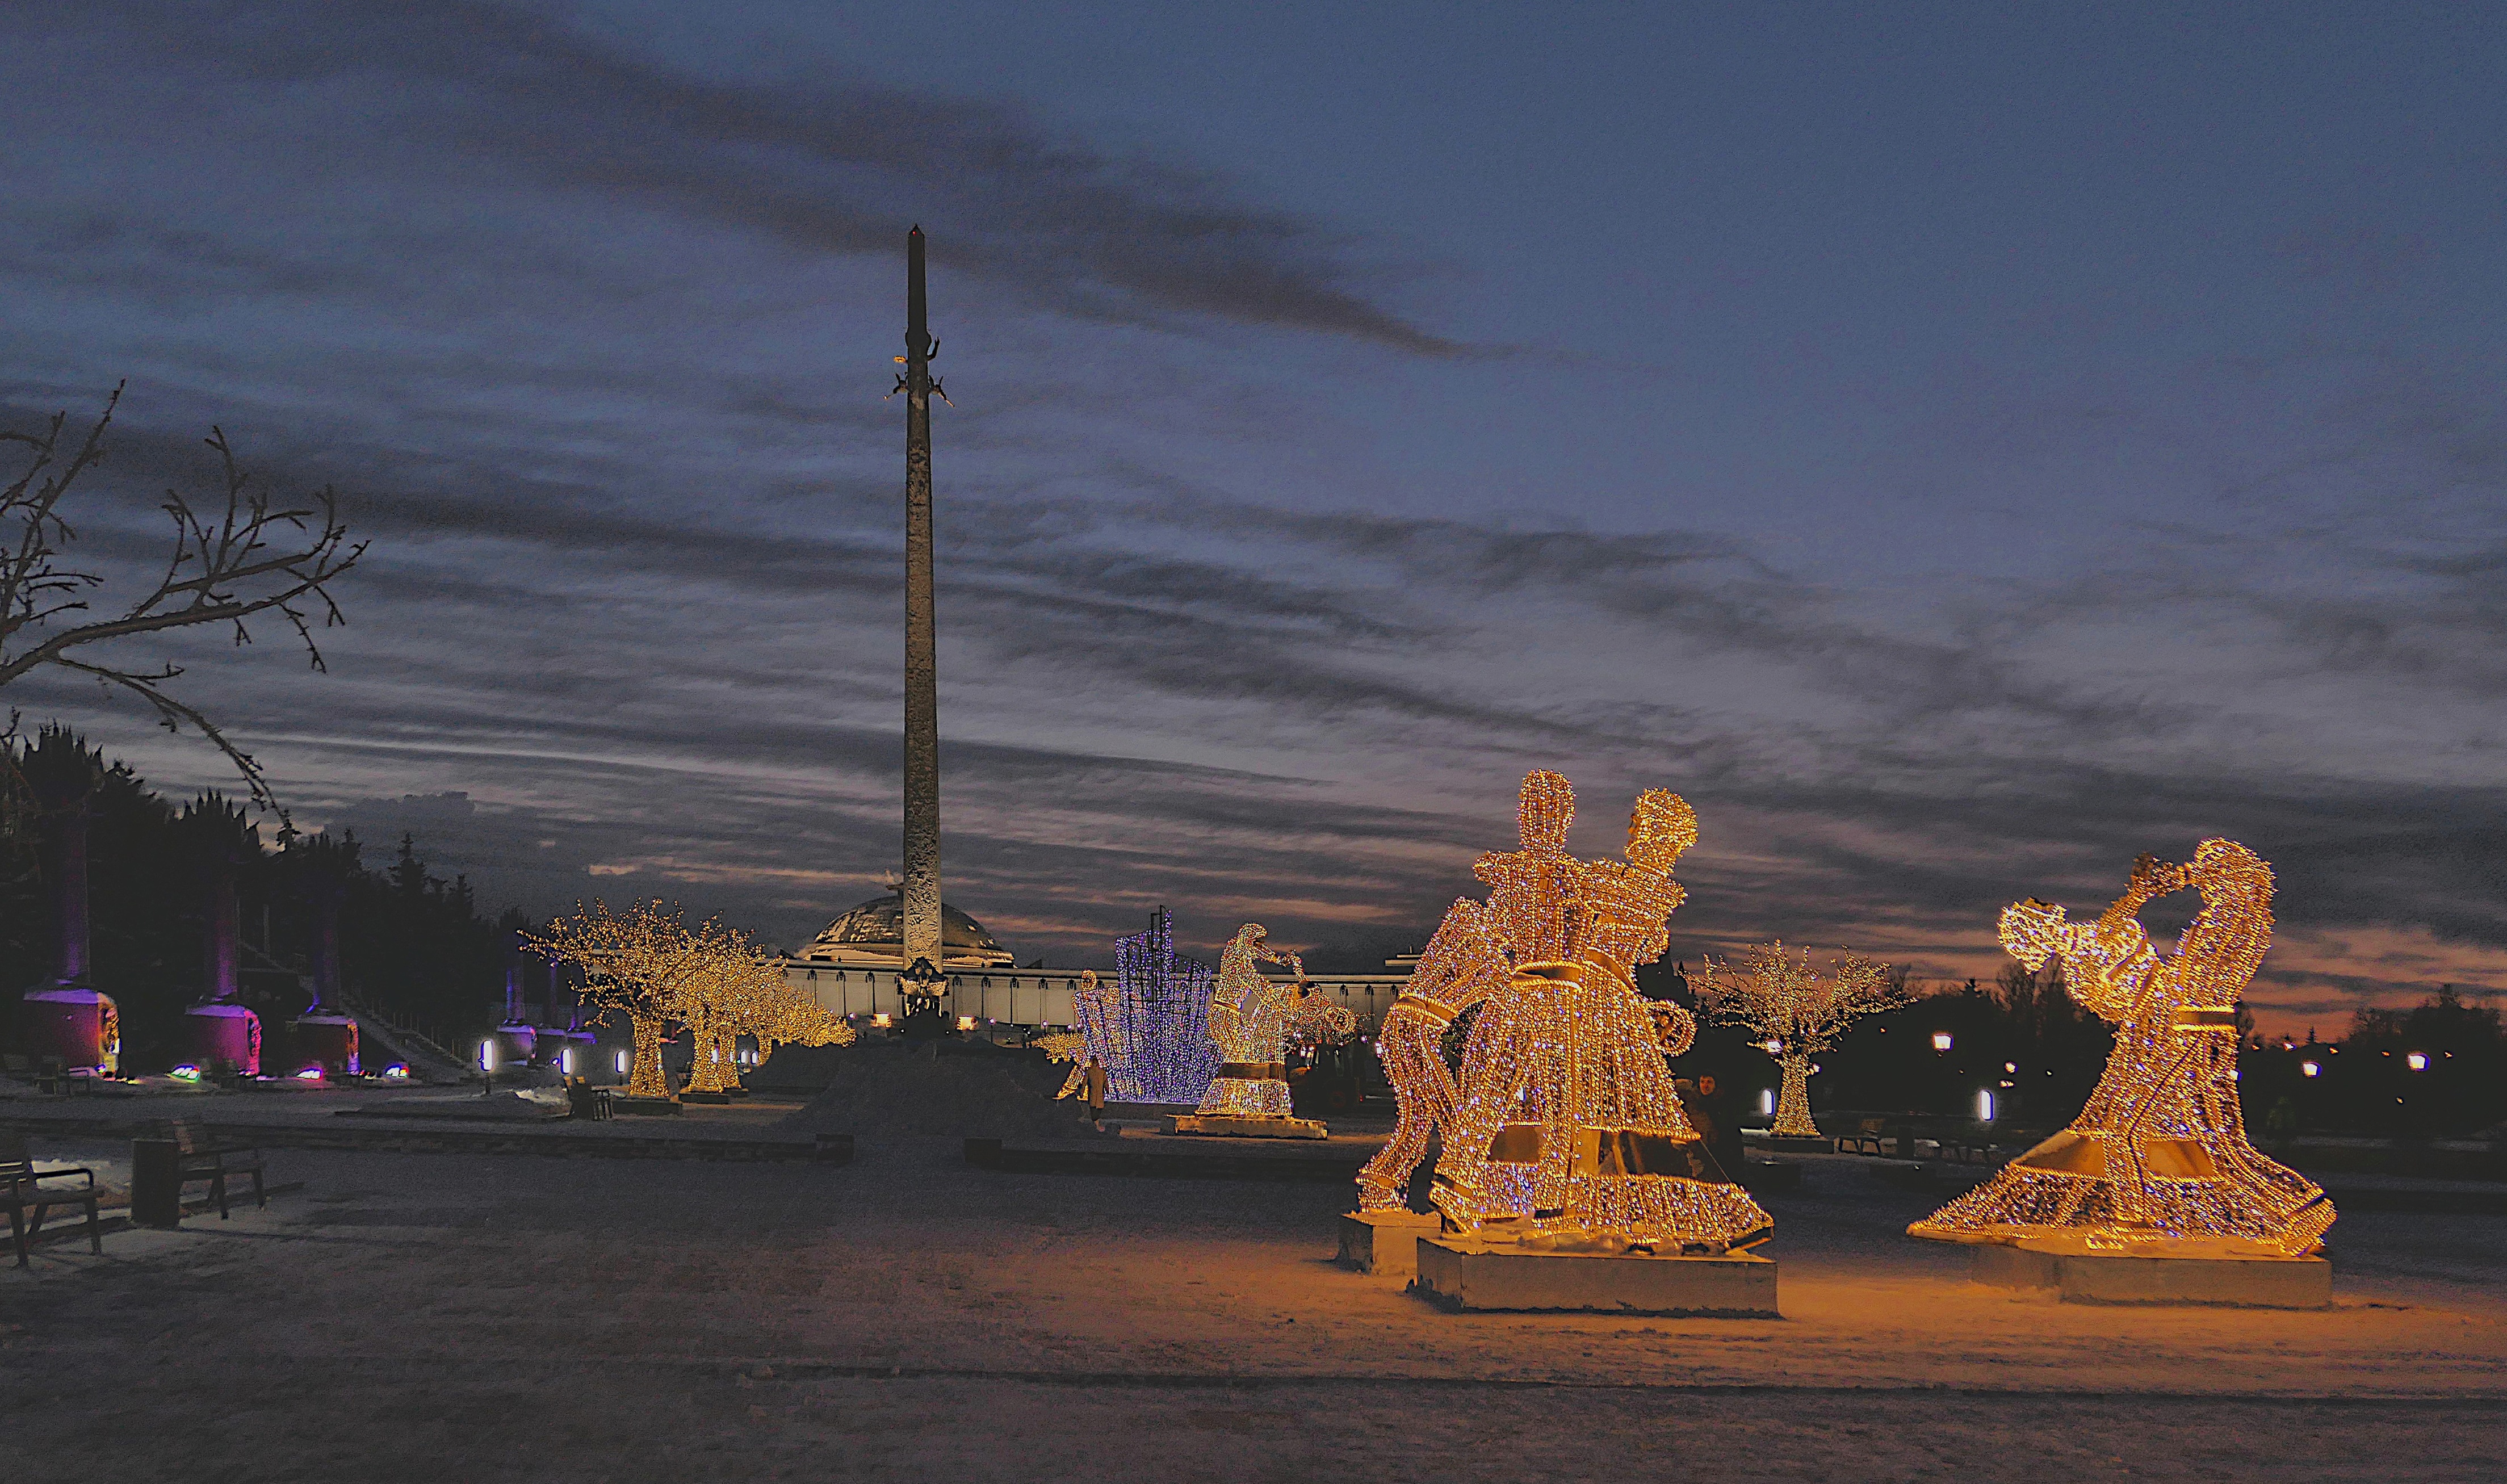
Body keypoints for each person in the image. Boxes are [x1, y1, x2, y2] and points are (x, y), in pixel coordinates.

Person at [1080, 1057, 1109, 1127]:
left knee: (1099, 1109)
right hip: (1093, 1094)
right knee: (1093, 1109)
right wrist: (1082, 1091)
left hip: (1099, 1094)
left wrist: (1107, 1089)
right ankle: (1095, 1123)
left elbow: (1105, 1082)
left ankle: (1096, 1122)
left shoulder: (1102, 1072)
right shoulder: (1090, 1072)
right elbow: (1085, 1082)